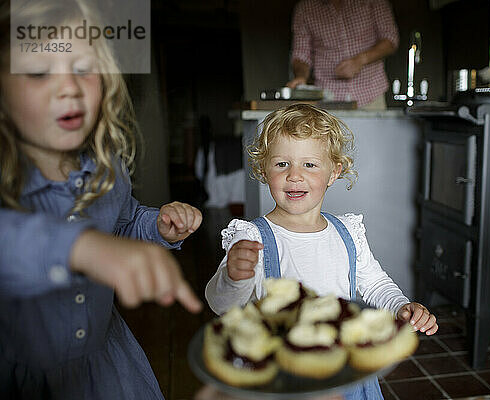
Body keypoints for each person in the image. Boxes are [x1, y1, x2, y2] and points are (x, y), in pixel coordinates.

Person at [0, 1, 202, 398]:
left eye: (83, 68)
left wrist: (158, 225)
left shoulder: (107, 169)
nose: (69, 87)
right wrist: (80, 248)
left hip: (105, 365)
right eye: (39, 72)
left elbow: (122, 223)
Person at [205, 104, 437, 400]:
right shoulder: (252, 238)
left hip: (348, 370)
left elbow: (376, 284)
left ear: (334, 172)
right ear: (263, 169)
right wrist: (234, 277)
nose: (294, 176)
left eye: (310, 165)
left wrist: (401, 307)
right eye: (282, 164)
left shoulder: (348, 233)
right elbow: (220, 305)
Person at [286, 0, 399, 110]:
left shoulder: (374, 1)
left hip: (370, 94)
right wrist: (301, 77)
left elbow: (390, 39)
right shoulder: (305, 7)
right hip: (327, 98)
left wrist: (360, 60)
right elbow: (301, 54)